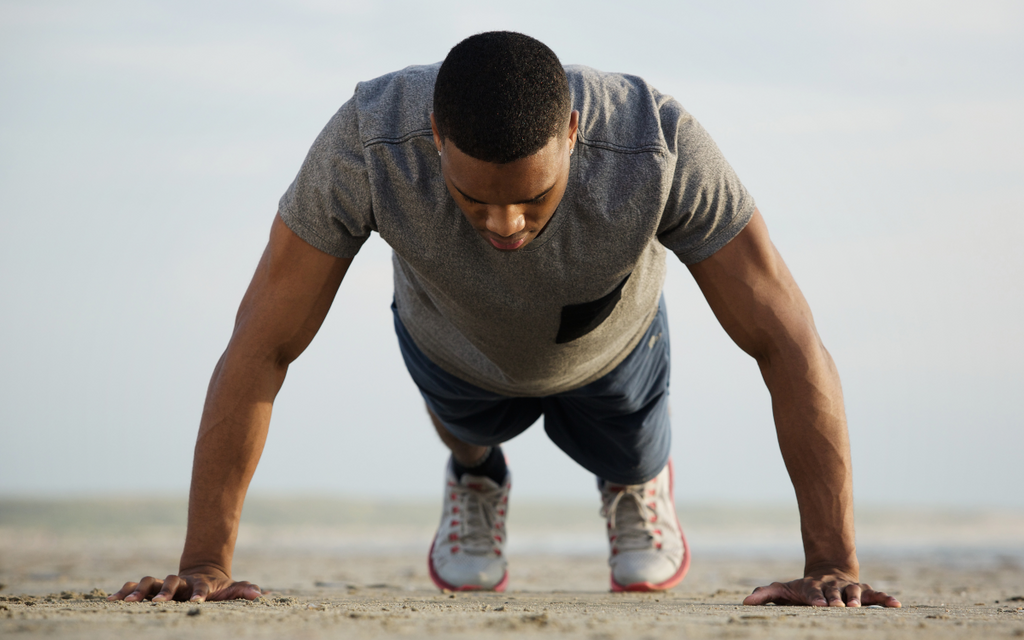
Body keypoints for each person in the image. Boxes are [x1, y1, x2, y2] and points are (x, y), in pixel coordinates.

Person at [110, 31, 900, 607]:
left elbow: (788, 340)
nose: (505, 224)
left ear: (573, 134)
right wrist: (205, 561)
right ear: (435, 138)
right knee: (464, 412)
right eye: (475, 198)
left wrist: (832, 559)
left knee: (629, 483)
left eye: (533, 198)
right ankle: (476, 477)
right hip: (453, 344)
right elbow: (262, 345)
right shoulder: (367, 144)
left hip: (611, 349)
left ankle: (635, 484)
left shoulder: (658, 146)